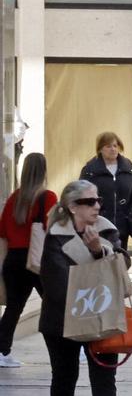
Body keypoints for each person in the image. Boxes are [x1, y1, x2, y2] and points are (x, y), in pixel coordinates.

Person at [40, 179, 132, 396]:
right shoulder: (55, 236)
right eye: (90, 202)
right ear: (72, 207)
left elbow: (123, 264)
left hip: (101, 315)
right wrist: (92, 266)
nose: (97, 206)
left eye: (98, 201)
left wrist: (98, 251)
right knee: (64, 378)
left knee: (105, 378)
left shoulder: (106, 229)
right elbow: (57, 283)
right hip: (62, 320)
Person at [0, 154, 55, 367]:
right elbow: (52, 228)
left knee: (14, 308)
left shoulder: (14, 198)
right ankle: (69, 348)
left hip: (14, 259)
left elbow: (3, 231)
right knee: (55, 304)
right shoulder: (47, 197)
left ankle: (2, 351)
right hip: (37, 258)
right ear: (44, 171)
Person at [79, 131, 132, 250]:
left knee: (121, 257)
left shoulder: (129, 168)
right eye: (108, 146)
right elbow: (82, 195)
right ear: (100, 149)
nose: (113, 149)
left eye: (115, 145)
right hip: (99, 224)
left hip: (123, 224)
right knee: (101, 256)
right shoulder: (90, 170)